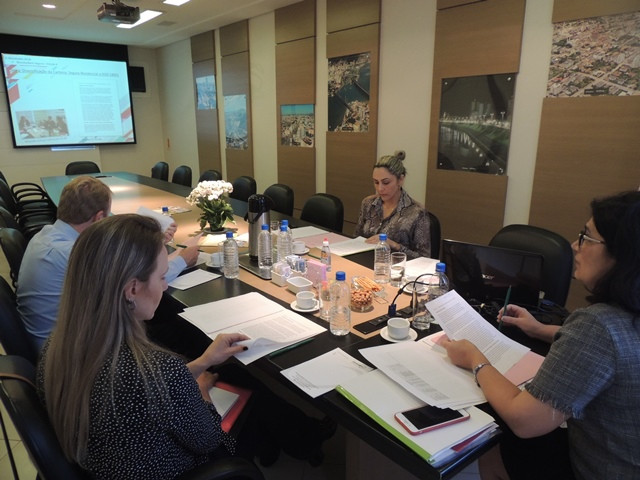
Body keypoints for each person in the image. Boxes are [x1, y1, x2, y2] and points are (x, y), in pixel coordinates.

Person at [37, 215, 334, 479]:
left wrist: (203, 361)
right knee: (245, 390)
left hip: (109, 463)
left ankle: (292, 441)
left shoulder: (57, 347)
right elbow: (210, 439)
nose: (165, 286)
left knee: (229, 373)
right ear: (132, 289)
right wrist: (201, 393)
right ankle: (301, 440)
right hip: (186, 468)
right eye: (161, 277)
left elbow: (152, 392)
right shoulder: (155, 369)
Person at [442, 191, 640, 479]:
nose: (575, 246)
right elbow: (616, 348)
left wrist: (475, 358)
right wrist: (539, 329)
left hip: (603, 469)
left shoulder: (597, 325)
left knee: (497, 435)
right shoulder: (623, 316)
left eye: (586, 238)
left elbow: (524, 421)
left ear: (622, 253)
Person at [17, 176, 198, 351]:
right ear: (99, 218)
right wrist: (183, 260)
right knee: (179, 330)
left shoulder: (44, 235)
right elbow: (137, 285)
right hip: (70, 351)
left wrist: (151, 247)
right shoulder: (75, 253)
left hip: (51, 338)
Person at [354, 151, 431, 259]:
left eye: (386, 182)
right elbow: (357, 238)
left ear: (400, 180)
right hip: (366, 261)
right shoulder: (368, 203)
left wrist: (395, 245)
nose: (380, 188)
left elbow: (424, 258)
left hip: (397, 265)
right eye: (376, 182)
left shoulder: (416, 212)